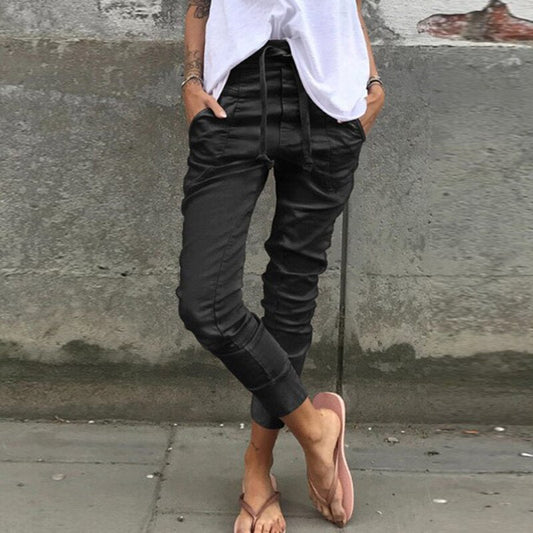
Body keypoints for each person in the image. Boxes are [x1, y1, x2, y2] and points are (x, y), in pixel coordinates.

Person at [176, 1, 385, 531]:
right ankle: (315, 431)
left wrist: (372, 81)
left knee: (292, 289)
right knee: (206, 305)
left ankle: (258, 465)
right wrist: (192, 80)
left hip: (330, 95)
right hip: (234, 95)